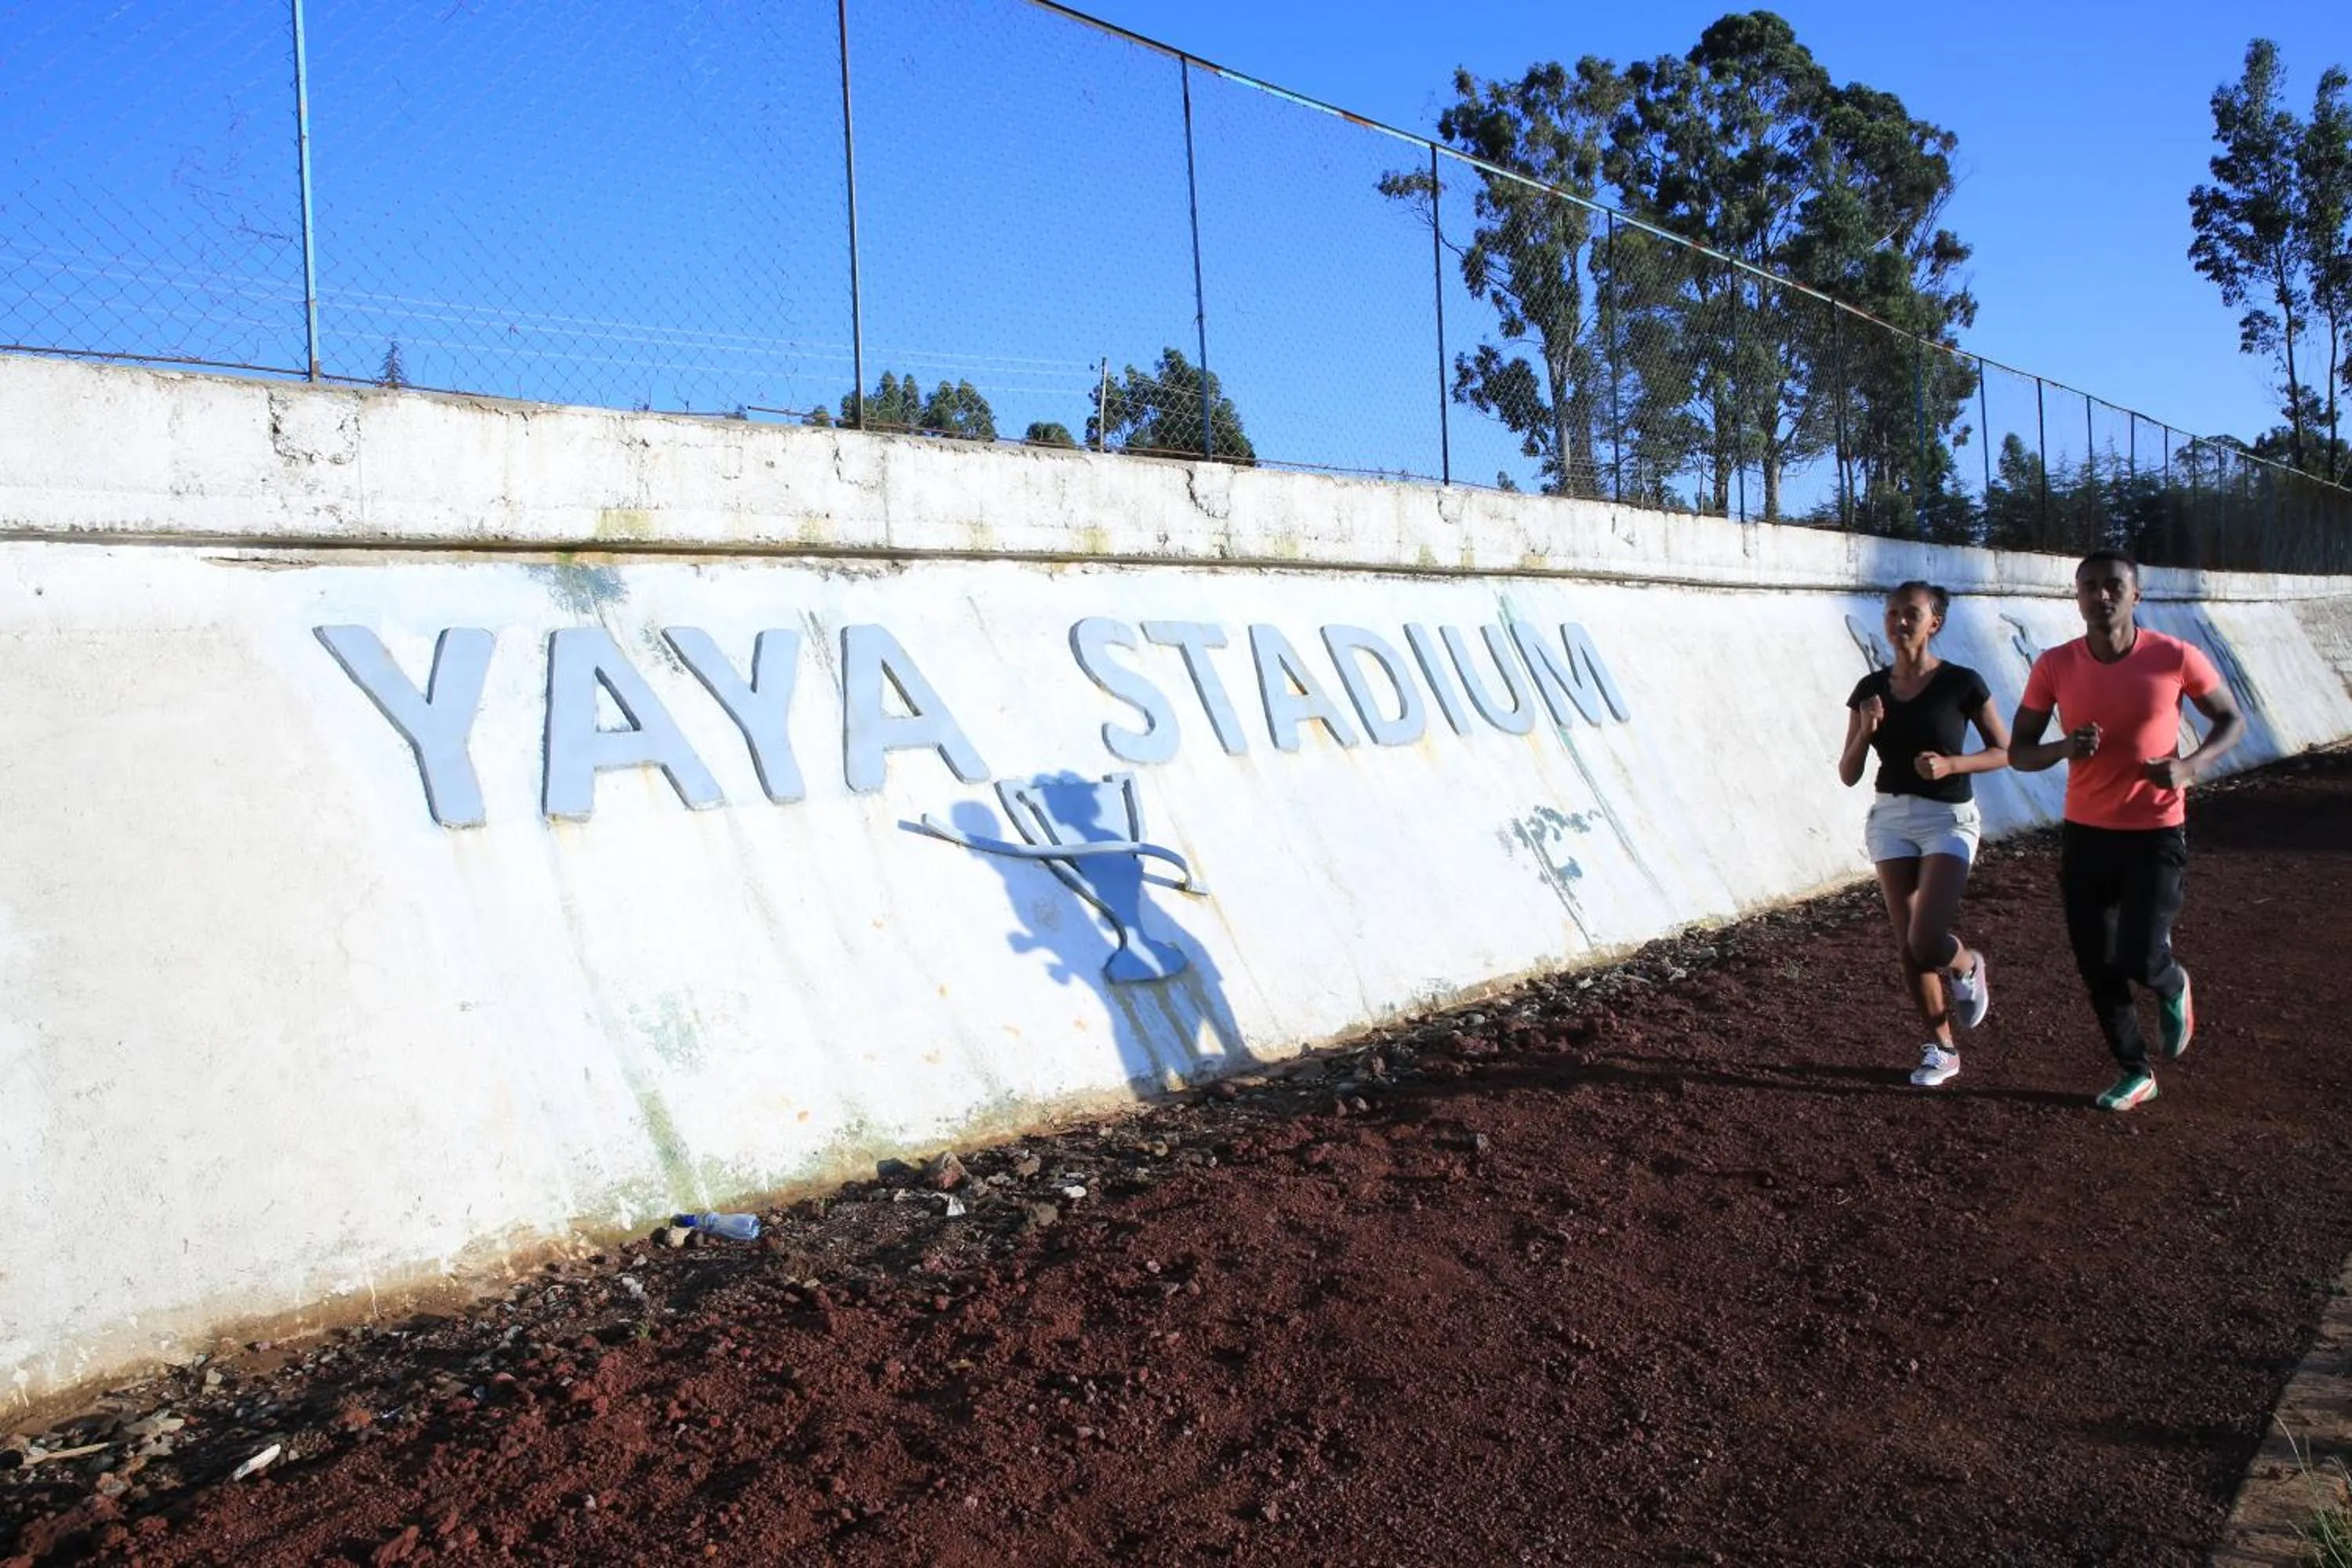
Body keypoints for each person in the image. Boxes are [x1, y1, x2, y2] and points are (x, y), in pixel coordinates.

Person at [2009, 549, 2244, 1112]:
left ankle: (2170, 982)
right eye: (2089, 586)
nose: (2101, 595)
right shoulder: (2054, 666)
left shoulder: (2173, 657)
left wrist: (2188, 766)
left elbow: (2231, 720)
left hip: (2155, 831)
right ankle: (2135, 1070)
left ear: (2136, 595)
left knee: (2139, 956)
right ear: (2077, 596)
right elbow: (2018, 753)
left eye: (2113, 585)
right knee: (2097, 963)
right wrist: (2065, 747)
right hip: (2086, 835)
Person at [1839, 582, 2012, 1088]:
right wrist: (1868, 730)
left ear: (1934, 621)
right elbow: (1848, 773)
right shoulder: (1869, 691)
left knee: (1927, 936)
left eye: (1911, 613)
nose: (1899, 622)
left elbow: (2005, 750)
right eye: (1892, 613)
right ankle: (1943, 1049)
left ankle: (1966, 962)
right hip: (1890, 818)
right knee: (1909, 945)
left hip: (1949, 818)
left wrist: (1952, 764)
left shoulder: (1962, 683)